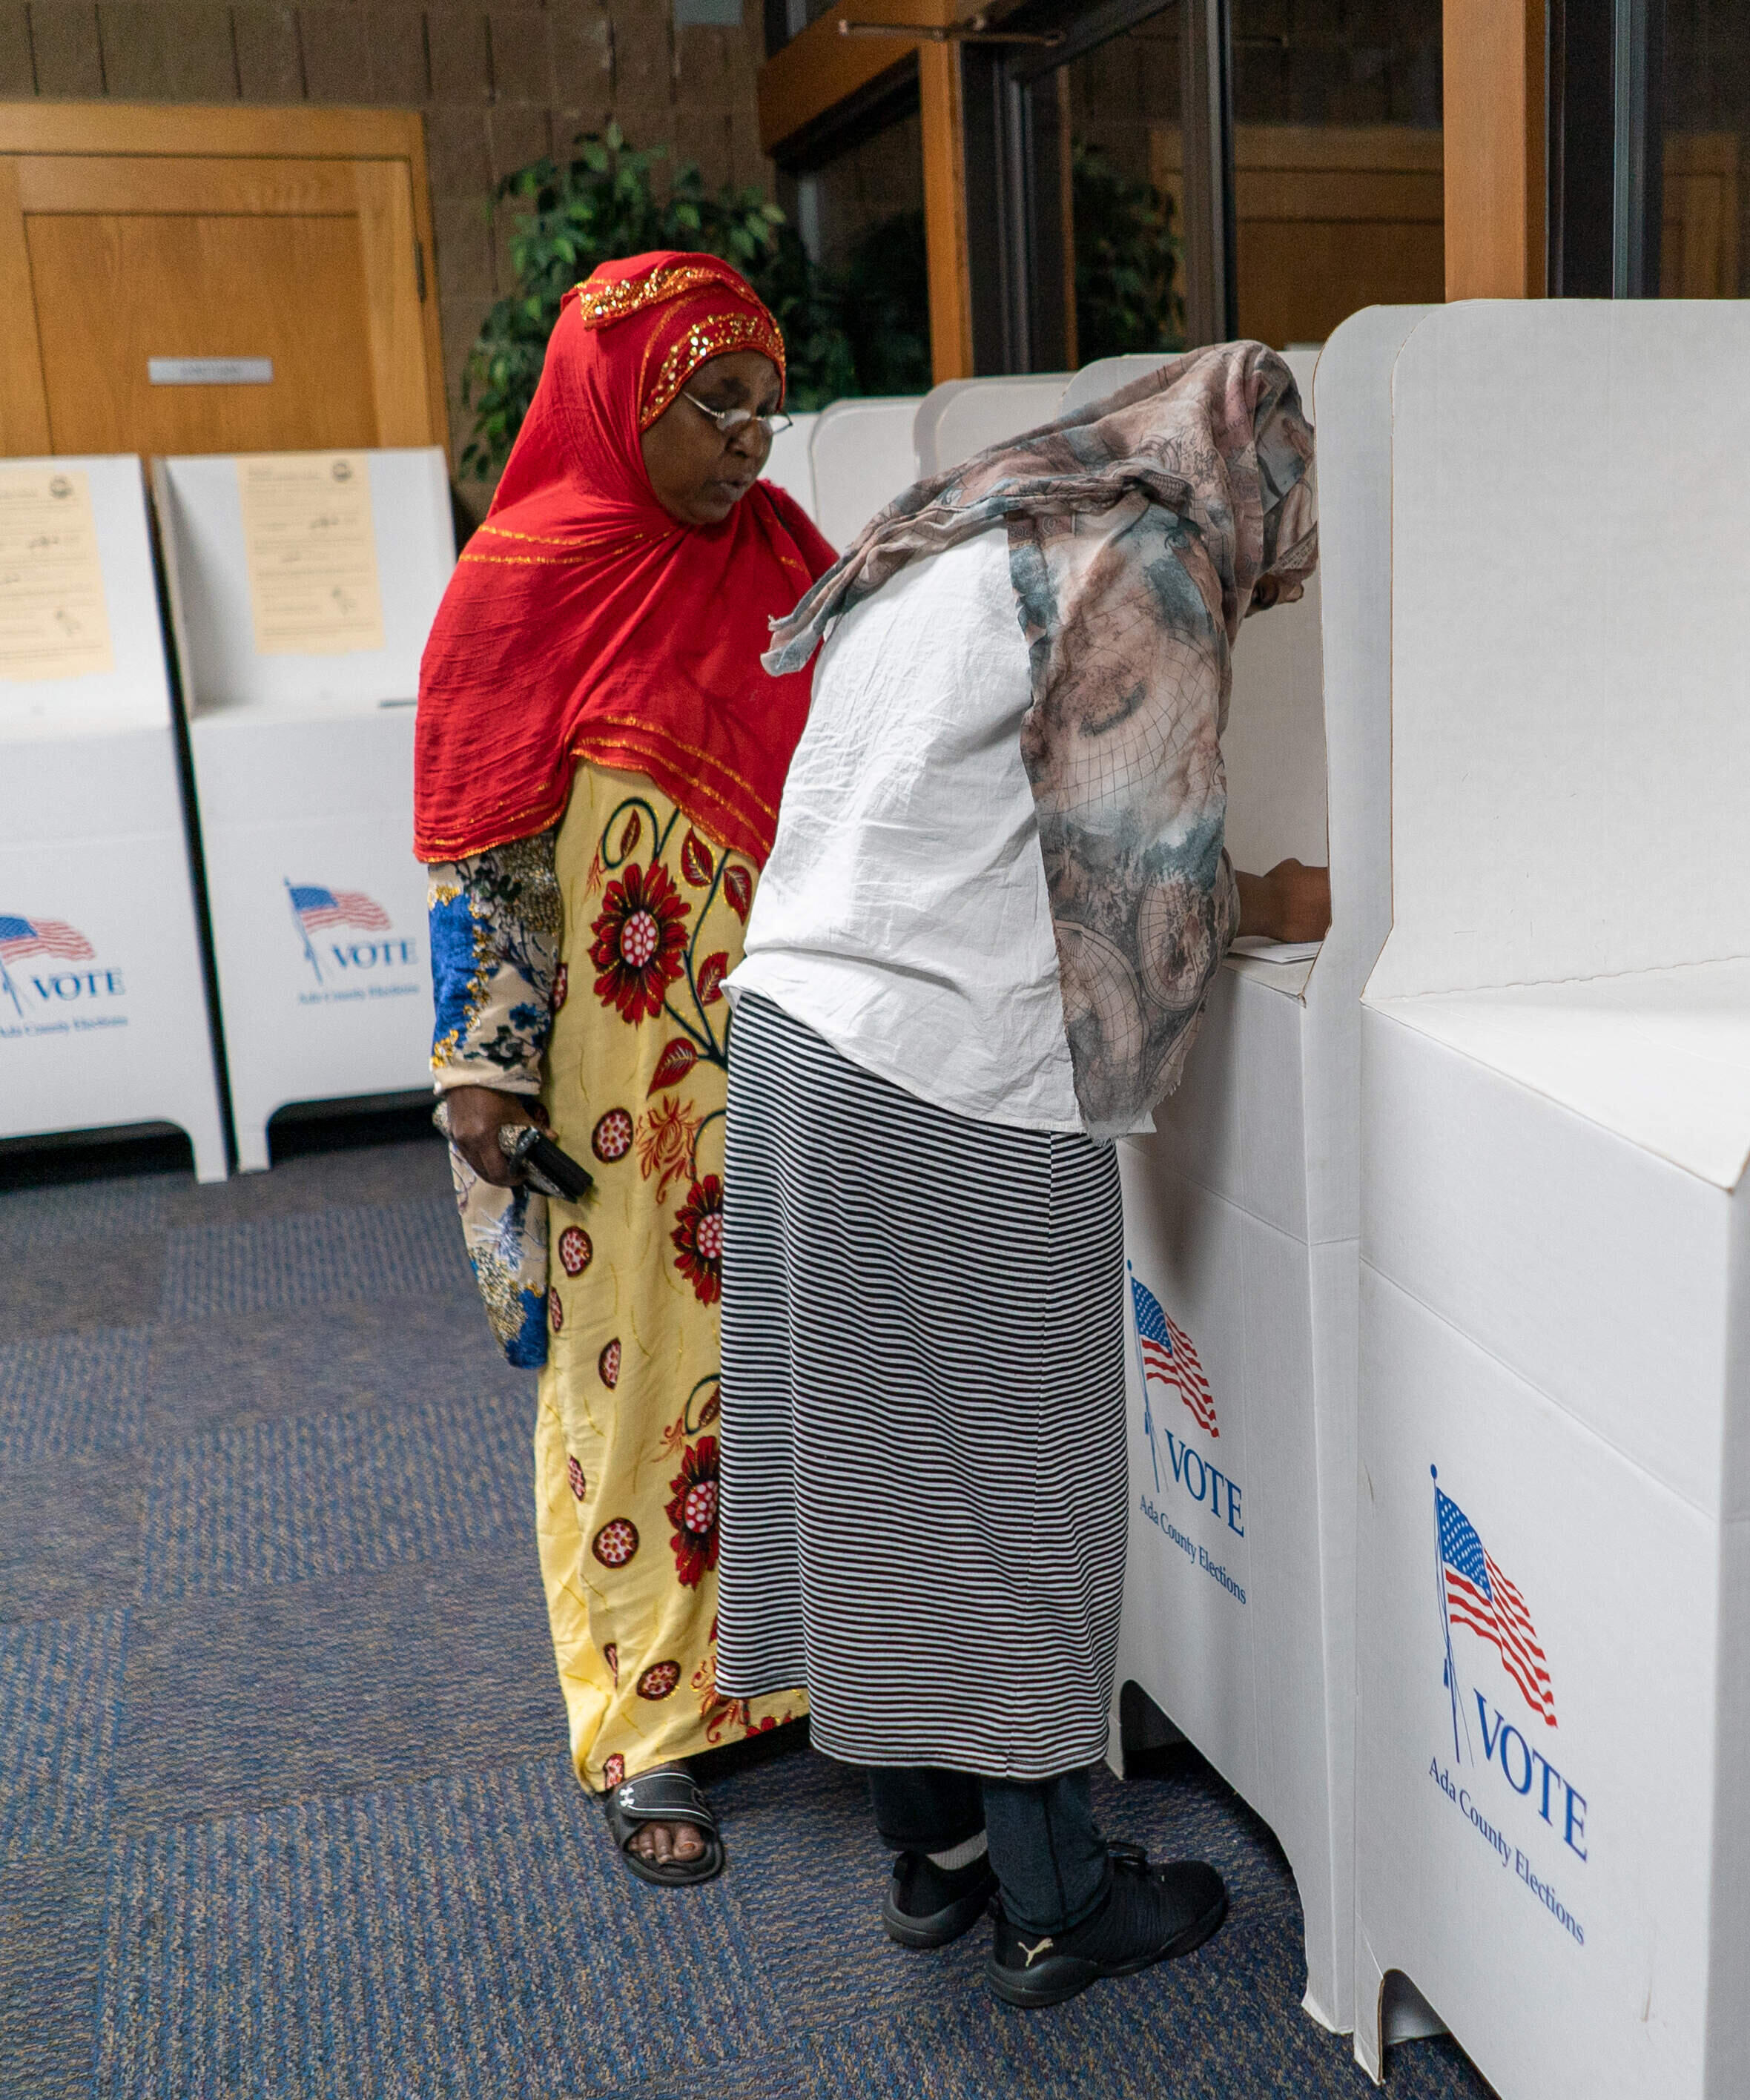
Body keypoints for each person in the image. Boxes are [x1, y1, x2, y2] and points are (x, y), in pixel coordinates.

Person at [713, 343, 1324, 2004]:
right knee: (1021, 1494)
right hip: (944, 1075)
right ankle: (1058, 1901)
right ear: (1242, 473)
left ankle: (939, 1865)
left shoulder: (974, 517)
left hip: (790, 1033)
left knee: (880, 1489)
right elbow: (1142, 906)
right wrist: (1285, 910)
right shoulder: (1147, 562)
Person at [415, 251, 832, 1886]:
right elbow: (481, 855)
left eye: (763, 409)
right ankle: (646, 1721)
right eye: (710, 404)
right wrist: (482, 1077)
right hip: (614, 1065)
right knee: (634, 1366)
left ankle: (786, 1670)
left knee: (794, 1349)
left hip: (795, 1043)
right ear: (622, 401)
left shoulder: (793, 561)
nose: (747, 442)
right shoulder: (526, 573)